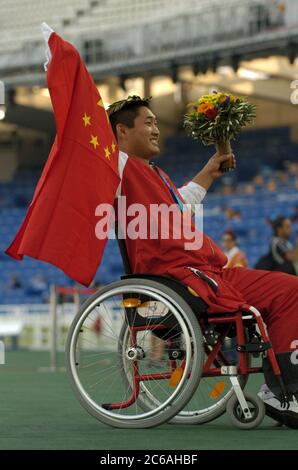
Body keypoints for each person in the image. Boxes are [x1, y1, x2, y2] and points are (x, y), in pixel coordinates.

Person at [107, 95, 298, 428]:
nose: (156, 130)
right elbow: (92, 142)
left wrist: (209, 171)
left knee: (289, 289)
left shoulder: (155, 175)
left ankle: (283, 389)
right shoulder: (118, 165)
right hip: (181, 279)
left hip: (207, 271)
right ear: (122, 132)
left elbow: (181, 204)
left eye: (156, 122)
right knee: (285, 292)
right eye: (148, 123)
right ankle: (284, 392)